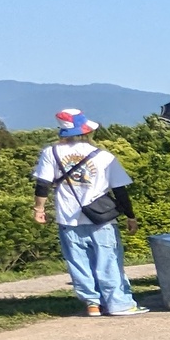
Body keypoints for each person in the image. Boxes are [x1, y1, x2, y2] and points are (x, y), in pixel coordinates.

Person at [32, 109, 146, 316]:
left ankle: (92, 303)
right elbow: (120, 189)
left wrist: (39, 208)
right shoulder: (103, 156)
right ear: (86, 131)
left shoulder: (51, 152)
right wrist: (130, 216)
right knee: (108, 260)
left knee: (78, 261)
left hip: (67, 216)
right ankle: (118, 303)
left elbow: (42, 184)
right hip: (101, 218)